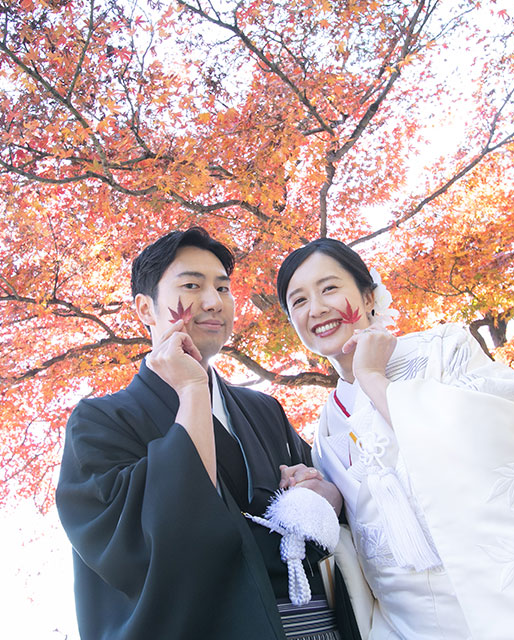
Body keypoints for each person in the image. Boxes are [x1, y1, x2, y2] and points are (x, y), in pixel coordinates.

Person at [276, 238, 514, 640]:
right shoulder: (326, 424)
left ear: (369, 296)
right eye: (299, 301)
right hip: (402, 622)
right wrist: (330, 495)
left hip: (492, 597)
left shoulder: (443, 349)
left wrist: (375, 379)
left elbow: (498, 443)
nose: (317, 308)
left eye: (329, 288)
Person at [56, 228, 361, 640]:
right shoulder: (101, 421)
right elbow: (157, 535)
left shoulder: (262, 410)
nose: (214, 302)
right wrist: (192, 390)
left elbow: (330, 505)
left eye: (223, 287)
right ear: (145, 308)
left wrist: (323, 493)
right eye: (191, 286)